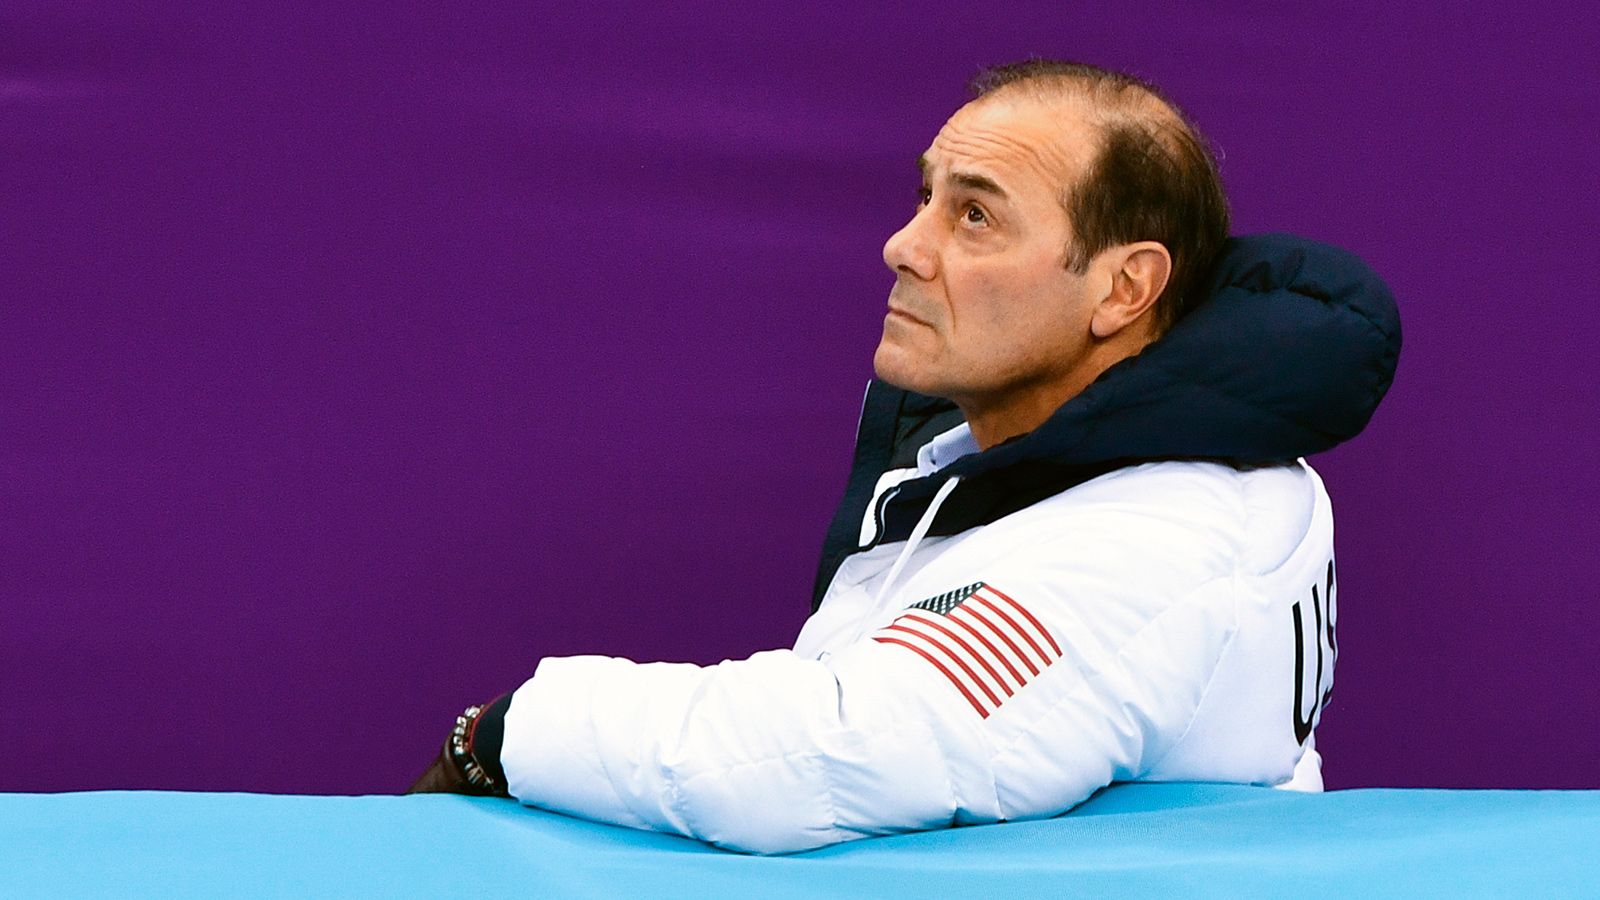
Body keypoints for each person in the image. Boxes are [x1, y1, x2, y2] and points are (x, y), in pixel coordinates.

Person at [408, 59, 1401, 854]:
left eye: (974, 215)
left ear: (1123, 289)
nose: (904, 245)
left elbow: (820, 756)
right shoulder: (1047, 459)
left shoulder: (1159, 540)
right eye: (926, 197)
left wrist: (500, 737)